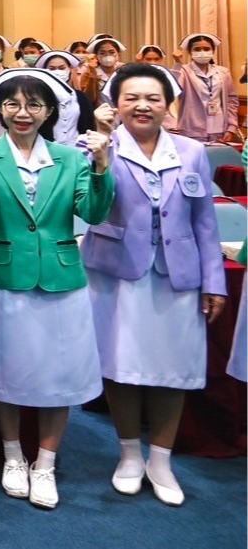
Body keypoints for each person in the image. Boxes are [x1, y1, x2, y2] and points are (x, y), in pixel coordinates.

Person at [82, 64, 225, 506]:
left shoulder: (191, 151)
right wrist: (99, 154)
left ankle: (160, 459)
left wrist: (213, 281)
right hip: (117, 273)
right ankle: (128, 454)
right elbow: (90, 207)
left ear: (168, 104)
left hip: (176, 275)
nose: (142, 106)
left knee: (172, 369)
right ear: (115, 103)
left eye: (153, 98)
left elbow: (204, 220)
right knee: (122, 367)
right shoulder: (94, 148)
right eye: (131, 98)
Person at [0, 67, 113, 510]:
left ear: (50, 111)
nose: (23, 112)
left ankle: (46, 463)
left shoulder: (71, 158)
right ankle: (13, 456)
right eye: (12, 104)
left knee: (59, 374)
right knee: (6, 372)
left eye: (34, 104)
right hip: (4, 277)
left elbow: (92, 213)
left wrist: (100, 168)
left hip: (60, 278)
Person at [171, 34, 238, 143]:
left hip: (220, 129)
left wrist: (231, 127)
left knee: (218, 159)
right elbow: (173, 90)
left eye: (206, 49)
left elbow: (232, 100)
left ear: (213, 51)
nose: (202, 52)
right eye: (197, 49)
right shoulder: (183, 71)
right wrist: (178, 64)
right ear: (190, 52)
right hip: (192, 130)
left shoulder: (223, 72)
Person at [36, 51, 100, 146]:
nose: (57, 71)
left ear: (70, 69)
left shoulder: (81, 97)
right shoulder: (39, 97)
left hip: (78, 150)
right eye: (52, 69)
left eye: (62, 68)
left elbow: (89, 127)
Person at [83, 36, 125, 106]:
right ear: (96, 56)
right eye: (102, 53)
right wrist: (92, 76)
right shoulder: (88, 74)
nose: (107, 55)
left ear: (118, 55)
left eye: (112, 52)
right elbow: (88, 99)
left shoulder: (124, 72)